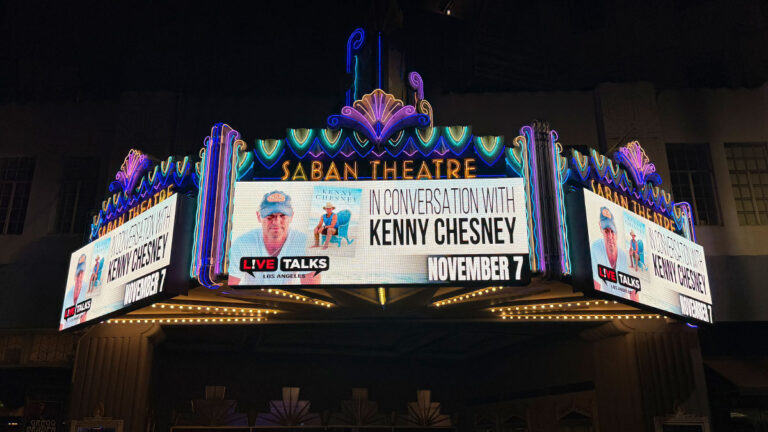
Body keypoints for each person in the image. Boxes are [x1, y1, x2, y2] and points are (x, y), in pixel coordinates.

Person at [228, 191, 318, 285]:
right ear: (259, 217)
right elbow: (230, 287)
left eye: (282, 216)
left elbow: (312, 288)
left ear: (291, 217)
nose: (276, 222)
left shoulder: (304, 242)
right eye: (270, 216)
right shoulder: (242, 243)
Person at [589, 206, 635, 299]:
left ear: (616, 232)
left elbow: (634, 292)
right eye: (606, 231)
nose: (610, 236)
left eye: (612, 231)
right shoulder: (596, 248)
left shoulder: (624, 257)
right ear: (600, 228)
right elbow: (595, 288)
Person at [60, 254, 88, 329]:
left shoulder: (86, 289)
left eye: (82, 273)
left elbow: (84, 318)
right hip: (67, 331)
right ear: (75, 276)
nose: (80, 277)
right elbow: (61, 324)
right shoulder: (67, 296)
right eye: (78, 274)